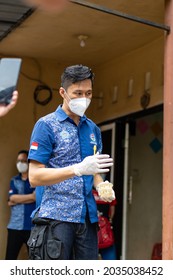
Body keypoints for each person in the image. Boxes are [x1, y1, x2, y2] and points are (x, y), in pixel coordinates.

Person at [28, 64, 115, 260]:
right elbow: (34, 176)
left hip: (87, 218)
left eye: (89, 93)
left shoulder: (93, 129)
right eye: (77, 93)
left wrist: (102, 185)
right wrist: (76, 169)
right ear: (62, 92)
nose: (84, 98)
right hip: (56, 218)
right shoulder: (46, 125)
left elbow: (93, 171)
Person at [5, 150, 36, 260]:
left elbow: (36, 197)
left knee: (35, 260)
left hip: (32, 227)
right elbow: (11, 198)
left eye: (23, 161)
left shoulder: (35, 180)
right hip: (15, 226)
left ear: (29, 162)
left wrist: (17, 200)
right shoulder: (14, 180)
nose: (20, 163)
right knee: (10, 259)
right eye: (19, 161)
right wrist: (30, 197)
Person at [93, 188, 117, 260]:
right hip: (105, 233)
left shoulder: (86, 190)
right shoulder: (108, 192)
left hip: (89, 231)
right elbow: (111, 213)